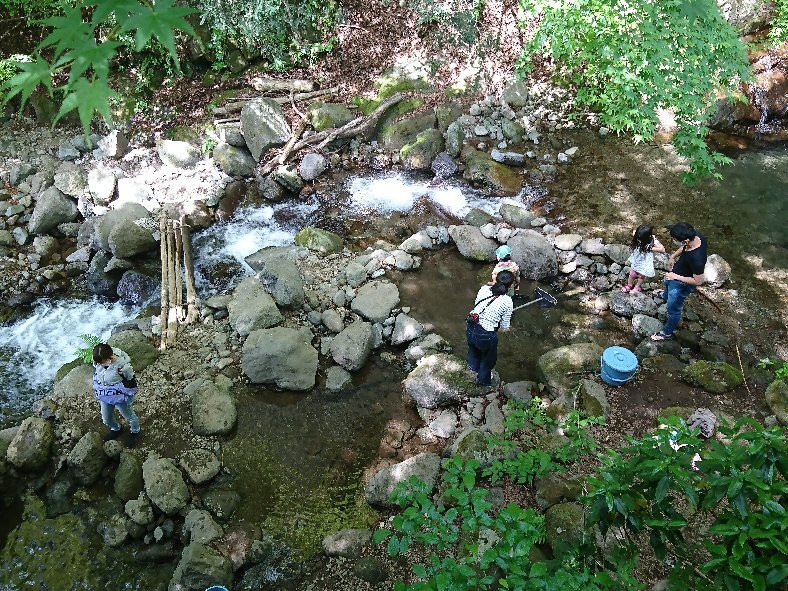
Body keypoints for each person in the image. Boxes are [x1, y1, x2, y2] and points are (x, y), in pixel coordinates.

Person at [651, 222, 707, 342]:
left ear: (685, 241)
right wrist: (673, 256)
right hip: (677, 273)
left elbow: (698, 281)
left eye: (675, 239)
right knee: (667, 284)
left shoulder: (697, 259)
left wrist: (675, 276)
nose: (674, 241)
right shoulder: (695, 236)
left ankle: (667, 333)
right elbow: (684, 247)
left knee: (673, 309)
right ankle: (664, 295)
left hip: (682, 284)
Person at [466, 270, 515, 387]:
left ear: (495, 279)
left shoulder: (483, 289)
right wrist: (507, 328)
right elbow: (504, 327)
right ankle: (483, 384)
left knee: (473, 351)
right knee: (488, 360)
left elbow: (477, 306)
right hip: (486, 335)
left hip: (471, 325)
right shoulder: (508, 301)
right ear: (510, 285)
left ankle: (472, 372)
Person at [92, 343, 141, 448]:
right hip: (105, 395)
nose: (101, 364)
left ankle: (135, 431)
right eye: (99, 363)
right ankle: (116, 428)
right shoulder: (98, 361)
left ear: (110, 356)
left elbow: (131, 383)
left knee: (129, 416)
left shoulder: (123, 367)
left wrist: (122, 374)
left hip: (120, 397)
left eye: (103, 361)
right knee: (106, 418)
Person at [622, 224, 665, 293]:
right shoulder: (638, 235)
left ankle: (637, 287)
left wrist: (650, 248)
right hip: (637, 258)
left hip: (645, 260)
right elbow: (634, 231)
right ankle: (629, 285)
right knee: (632, 273)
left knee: (641, 275)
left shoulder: (652, 240)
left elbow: (662, 249)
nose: (638, 239)